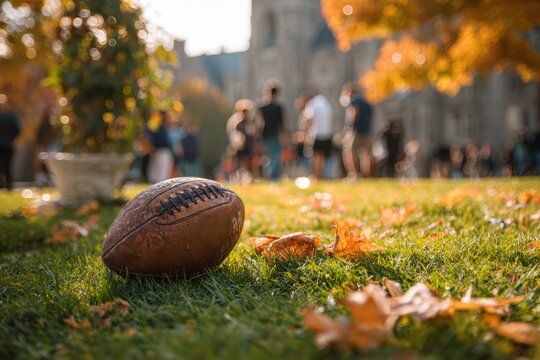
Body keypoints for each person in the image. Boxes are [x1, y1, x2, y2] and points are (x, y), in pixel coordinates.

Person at [340, 83, 373, 179]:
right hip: (366, 131)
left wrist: (349, 128)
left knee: (349, 153)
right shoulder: (366, 102)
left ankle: (354, 174)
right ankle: (367, 175)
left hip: (355, 132)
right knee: (366, 155)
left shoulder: (354, 101)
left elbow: (354, 113)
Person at [257, 81, 286, 181]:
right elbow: (281, 124)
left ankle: (269, 174)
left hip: (265, 133)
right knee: (275, 155)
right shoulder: (278, 107)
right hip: (274, 133)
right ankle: (272, 175)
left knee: (269, 155)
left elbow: (258, 123)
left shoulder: (261, 107)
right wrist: (284, 135)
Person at [303, 91, 333, 179]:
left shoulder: (312, 104)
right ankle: (321, 175)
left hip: (317, 134)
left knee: (315, 156)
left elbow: (308, 119)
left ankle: (315, 175)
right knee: (323, 157)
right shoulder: (326, 103)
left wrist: (306, 133)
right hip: (327, 134)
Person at [145, 111, 174, 183]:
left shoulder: (161, 127)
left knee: (160, 174)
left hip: (162, 151)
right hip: (160, 151)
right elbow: (150, 139)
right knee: (158, 175)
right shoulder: (155, 126)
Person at [0, 94, 21, 190]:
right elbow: (17, 130)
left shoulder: (10, 116)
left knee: (7, 166)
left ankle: (7, 185)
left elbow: (17, 130)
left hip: (7, 145)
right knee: (7, 166)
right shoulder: (11, 116)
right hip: (8, 145)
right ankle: (8, 185)